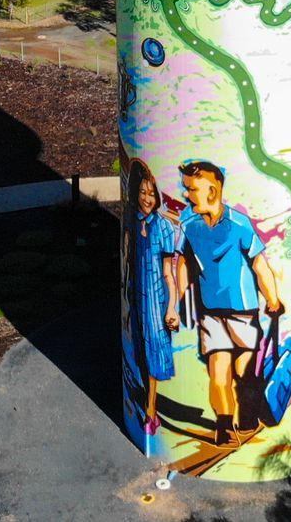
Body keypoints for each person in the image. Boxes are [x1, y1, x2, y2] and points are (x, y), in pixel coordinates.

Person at [178, 160, 282, 447]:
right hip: (211, 312)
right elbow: (185, 263)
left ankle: (247, 418)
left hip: (243, 311)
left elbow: (260, 265)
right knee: (218, 371)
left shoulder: (238, 225)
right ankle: (224, 427)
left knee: (243, 372)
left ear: (212, 190)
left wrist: (272, 298)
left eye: (192, 189)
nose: (187, 195)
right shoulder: (190, 226)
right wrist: (179, 297)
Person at [125, 158, 182, 438]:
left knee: (154, 348)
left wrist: (171, 306)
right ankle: (148, 403)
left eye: (152, 193)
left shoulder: (161, 227)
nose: (148, 199)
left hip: (156, 297)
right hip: (137, 293)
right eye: (143, 192)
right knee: (140, 348)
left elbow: (169, 272)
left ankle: (151, 409)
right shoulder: (133, 220)